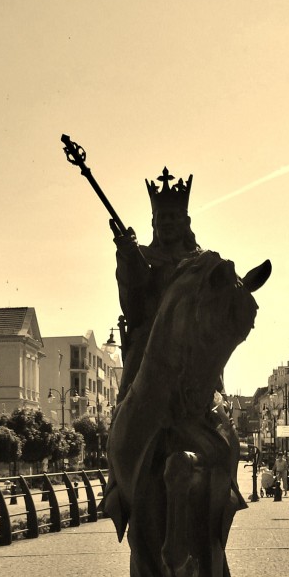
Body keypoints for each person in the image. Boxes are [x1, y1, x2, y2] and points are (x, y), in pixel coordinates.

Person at [111, 166, 201, 402]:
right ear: (154, 221)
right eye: (163, 217)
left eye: (174, 216)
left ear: (186, 221)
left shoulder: (202, 262)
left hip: (192, 345)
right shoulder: (141, 257)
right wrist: (128, 258)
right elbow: (133, 307)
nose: (168, 222)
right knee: (127, 399)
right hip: (148, 342)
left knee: (215, 406)